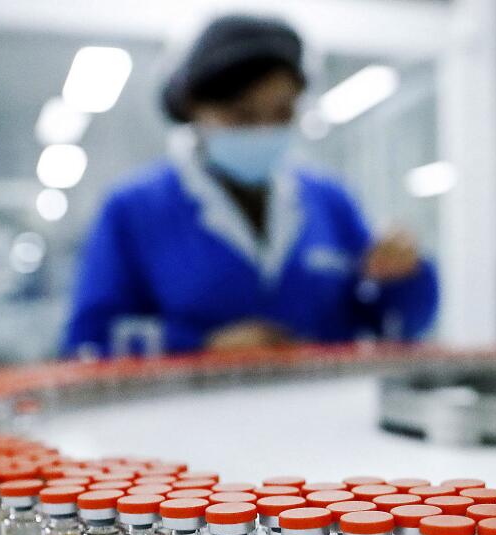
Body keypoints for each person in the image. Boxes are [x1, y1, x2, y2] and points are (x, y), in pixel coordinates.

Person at [63, 15, 438, 355]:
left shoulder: (331, 201)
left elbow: (389, 324)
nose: (264, 131)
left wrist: (406, 278)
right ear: (192, 108)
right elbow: (88, 338)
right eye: (242, 115)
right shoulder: (133, 209)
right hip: (186, 420)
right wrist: (201, 346)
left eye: (281, 113)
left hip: (322, 417)